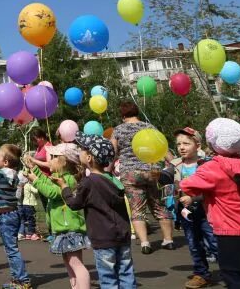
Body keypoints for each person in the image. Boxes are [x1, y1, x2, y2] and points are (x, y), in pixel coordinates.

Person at [179, 118, 240, 288]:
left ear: (212, 143)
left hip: (230, 232)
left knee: (234, 277)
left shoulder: (212, 167)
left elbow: (187, 185)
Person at [60, 133, 136, 289]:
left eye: (82, 149)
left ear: (89, 158)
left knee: (108, 278)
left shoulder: (89, 182)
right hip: (122, 234)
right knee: (126, 273)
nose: (80, 151)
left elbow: (74, 204)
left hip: (103, 237)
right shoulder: (113, 179)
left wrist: (64, 188)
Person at [111, 102, 174, 254]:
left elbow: (112, 152)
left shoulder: (118, 129)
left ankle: (145, 243)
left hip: (131, 173)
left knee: (137, 208)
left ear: (123, 115)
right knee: (160, 205)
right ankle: (168, 240)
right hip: (152, 172)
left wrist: (108, 168)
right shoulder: (149, 127)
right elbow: (162, 147)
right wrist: (173, 163)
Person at [26, 144, 90, 289]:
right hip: (62, 229)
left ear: (64, 161)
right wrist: (34, 169)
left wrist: (34, 179)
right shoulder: (59, 177)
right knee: (69, 263)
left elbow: (52, 192)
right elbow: (46, 182)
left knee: (75, 263)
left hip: (69, 229)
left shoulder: (68, 180)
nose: (50, 160)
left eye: (54, 157)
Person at [164, 127, 217, 289]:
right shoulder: (175, 164)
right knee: (194, 244)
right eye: (179, 144)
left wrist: (194, 198)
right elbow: (165, 178)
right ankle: (201, 274)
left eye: (186, 143)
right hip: (186, 212)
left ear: (198, 146)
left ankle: (231, 271)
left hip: (206, 210)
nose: (181, 147)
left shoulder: (206, 164)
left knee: (215, 242)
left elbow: (212, 189)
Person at [0, 143, 30, 289]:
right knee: (11, 248)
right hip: (13, 213)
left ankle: (23, 281)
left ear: (6, 161)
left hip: (4, 215)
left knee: (11, 250)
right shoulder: (13, 174)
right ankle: (16, 279)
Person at [29, 128, 53, 240]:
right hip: (39, 179)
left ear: (42, 137)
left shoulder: (48, 146)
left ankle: (54, 232)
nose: (35, 142)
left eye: (36, 139)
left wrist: (34, 161)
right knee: (44, 206)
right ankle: (50, 231)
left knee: (50, 206)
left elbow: (49, 164)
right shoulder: (39, 148)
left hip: (47, 180)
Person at [16, 170, 39, 241]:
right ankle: (29, 233)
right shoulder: (28, 185)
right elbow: (36, 191)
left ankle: (26, 233)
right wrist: (38, 184)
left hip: (24, 203)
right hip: (28, 204)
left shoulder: (24, 186)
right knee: (30, 219)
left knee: (25, 219)